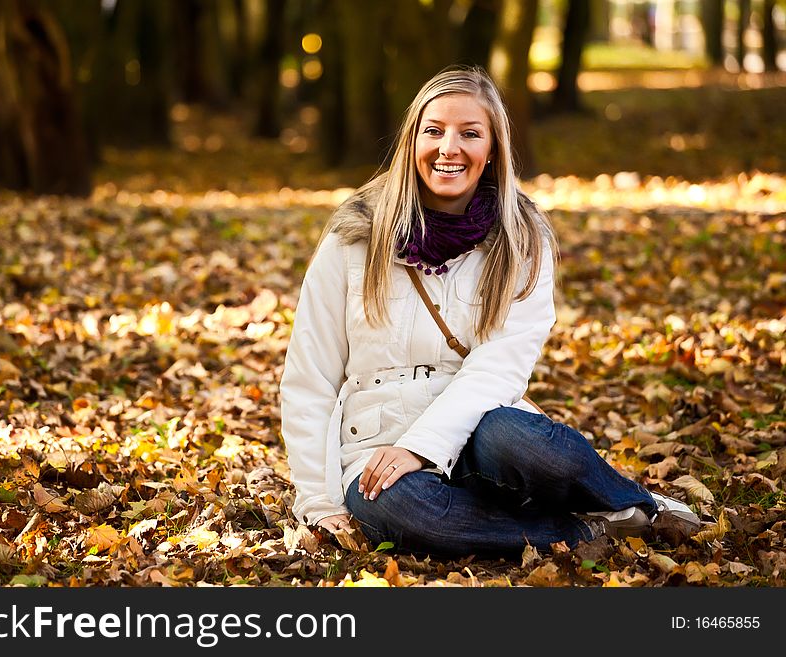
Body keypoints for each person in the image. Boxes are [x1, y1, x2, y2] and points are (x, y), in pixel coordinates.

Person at [278, 65, 701, 558]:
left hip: (482, 429)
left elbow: (499, 367)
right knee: (405, 512)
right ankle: (581, 533)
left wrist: (423, 446)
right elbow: (310, 377)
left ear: (493, 149)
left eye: (470, 133)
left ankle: (638, 507)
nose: (448, 148)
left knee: (536, 450)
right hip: (377, 446)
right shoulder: (353, 237)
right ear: (411, 141)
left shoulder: (523, 239)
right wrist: (317, 500)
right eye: (433, 131)